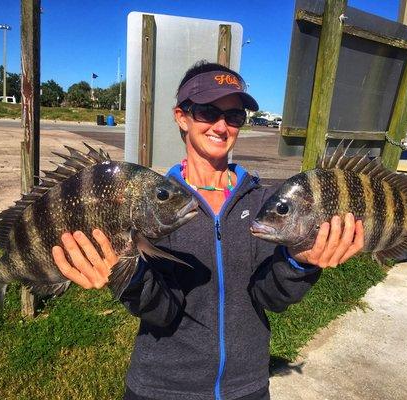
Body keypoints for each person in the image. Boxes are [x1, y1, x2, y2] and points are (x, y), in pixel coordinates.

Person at [52, 61, 364, 400]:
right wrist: (124, 274)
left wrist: (301, 263)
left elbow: (270, 297)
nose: (221, 125)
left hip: (246, 388)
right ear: (181, 117)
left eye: (234, 117)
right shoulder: (154, 204)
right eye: (206, 112)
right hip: (161, 388)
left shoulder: (264, 203)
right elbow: (161, 311)